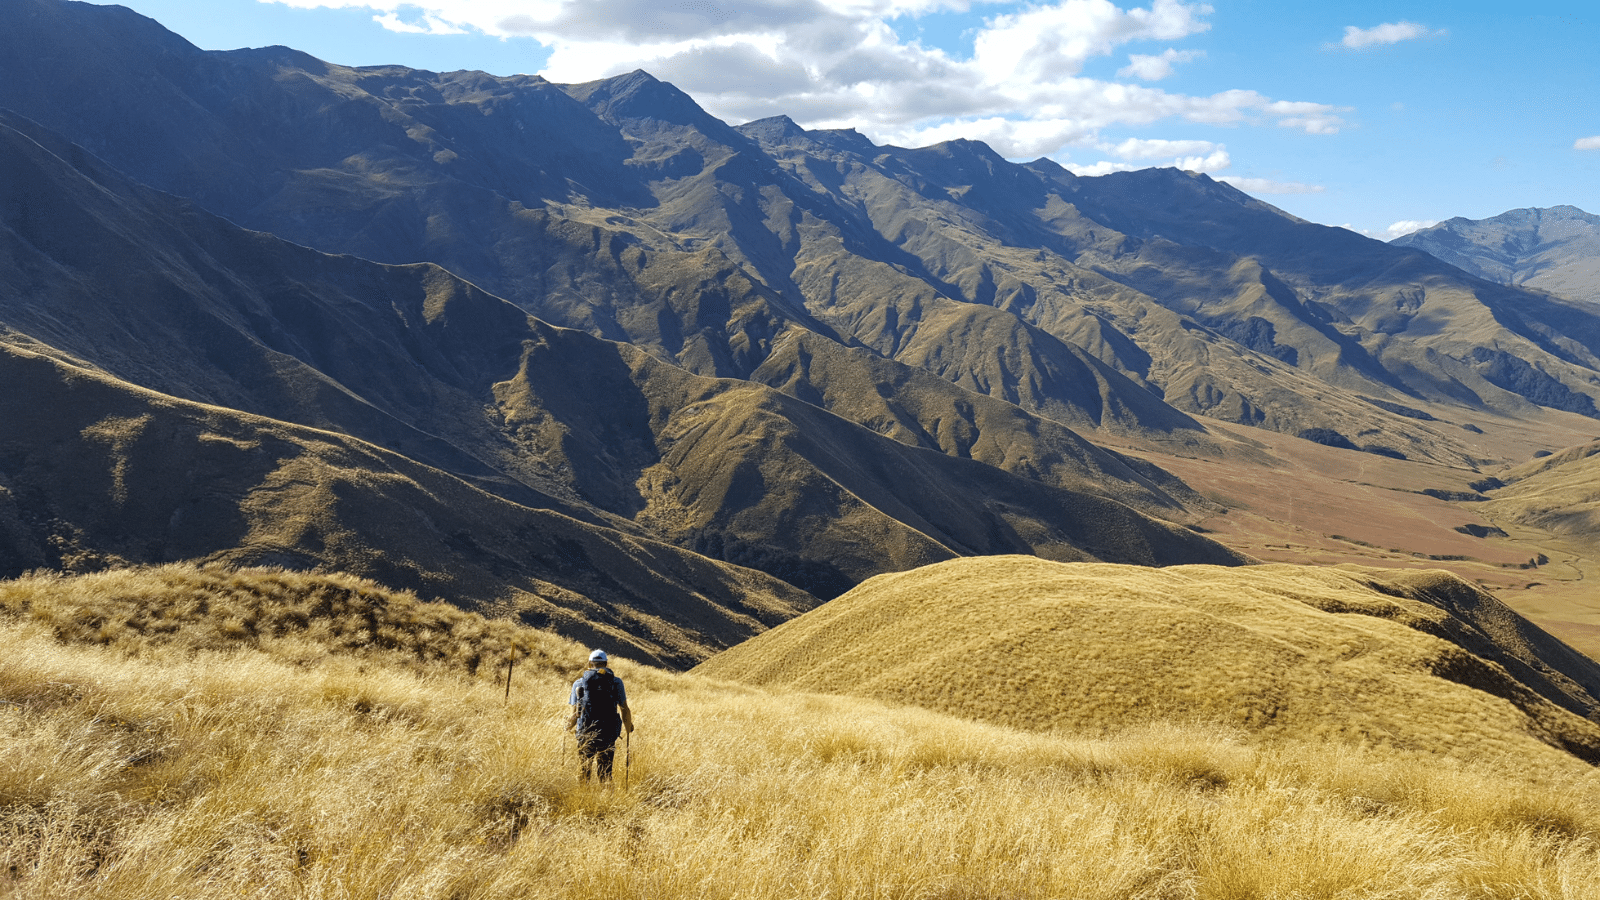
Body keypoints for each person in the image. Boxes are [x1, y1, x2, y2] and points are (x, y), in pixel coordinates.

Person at [566, 649, 634, 782]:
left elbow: (575, 713)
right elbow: (624, 709)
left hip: (585, 732)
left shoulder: (579, 683)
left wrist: (568, 726)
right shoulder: (616, 682)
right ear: (606, 664)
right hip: (607, 733)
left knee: (584, 771)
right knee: (605, 773)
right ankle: (607, 799)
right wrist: (628, 727)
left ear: (589, 663)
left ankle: (582, 798)